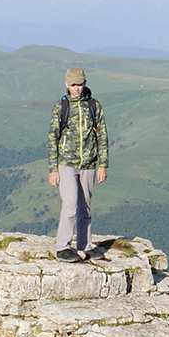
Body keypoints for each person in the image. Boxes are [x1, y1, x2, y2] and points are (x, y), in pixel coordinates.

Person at [47, 66, 109, 261]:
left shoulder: (94, 105)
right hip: (67, 164)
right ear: (66, 84)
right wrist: (53, 169)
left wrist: (103, 164)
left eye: (79, 84)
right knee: (70, 205)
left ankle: (85, 246)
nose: (76, 88)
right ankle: (62, 247)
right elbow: (52, 138)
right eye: (73, 85)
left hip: (89, 164)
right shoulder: (62, 107)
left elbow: (103, 136)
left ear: (85, 83)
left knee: (85, 207)